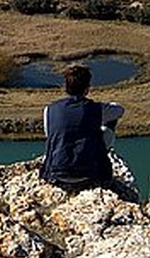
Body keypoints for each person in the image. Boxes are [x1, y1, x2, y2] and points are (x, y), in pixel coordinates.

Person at [40, 64, 125, 192]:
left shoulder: (49, 109)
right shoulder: (96, 109)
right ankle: (102, 165)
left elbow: (50, 135)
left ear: (66, 87)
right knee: (109, 122)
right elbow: (120, 110)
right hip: (89, 174)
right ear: (87, 88)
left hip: (56, 174)